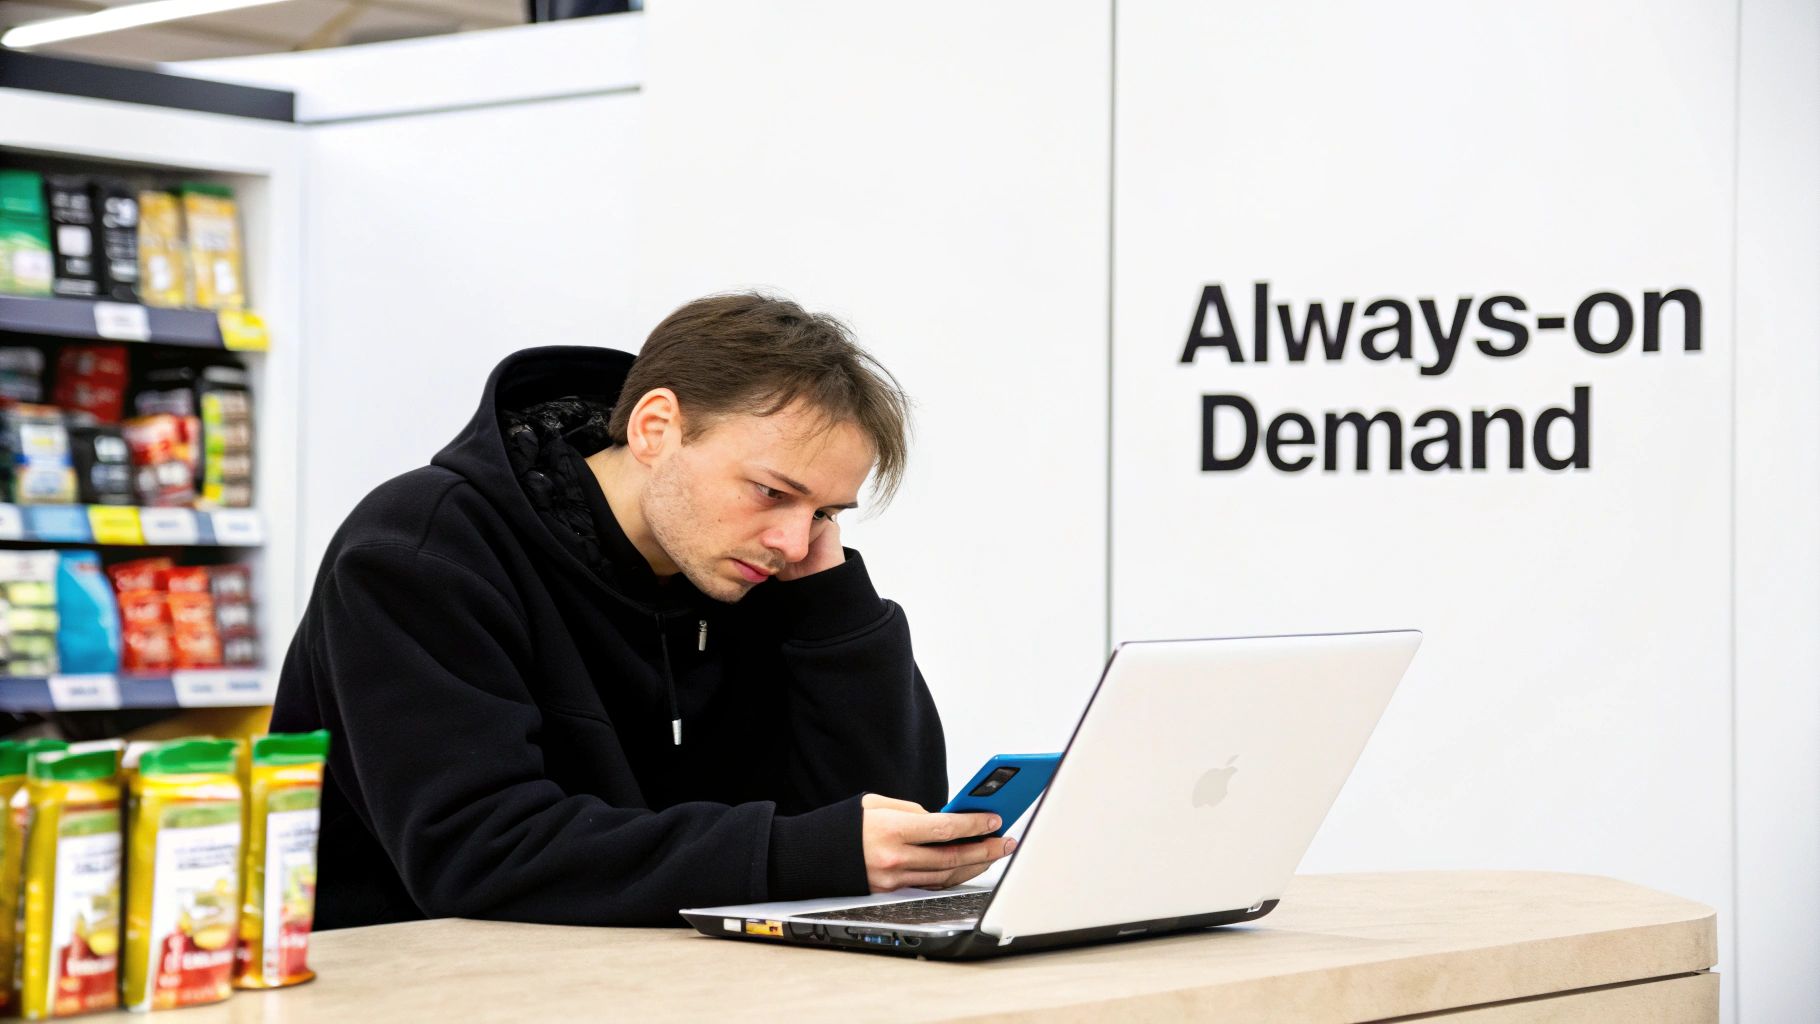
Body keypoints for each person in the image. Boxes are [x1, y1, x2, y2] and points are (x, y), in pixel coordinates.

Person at [270, 293, 1013, 929]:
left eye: (825, 510)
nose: (793, 539)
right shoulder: (421, 552)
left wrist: (833, 607)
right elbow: (479, 853)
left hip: (665, 981)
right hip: (427, 991)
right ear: (656, 429)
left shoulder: (761, 570)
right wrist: (796, 854)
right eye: (771, 492)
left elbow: (890, 824)